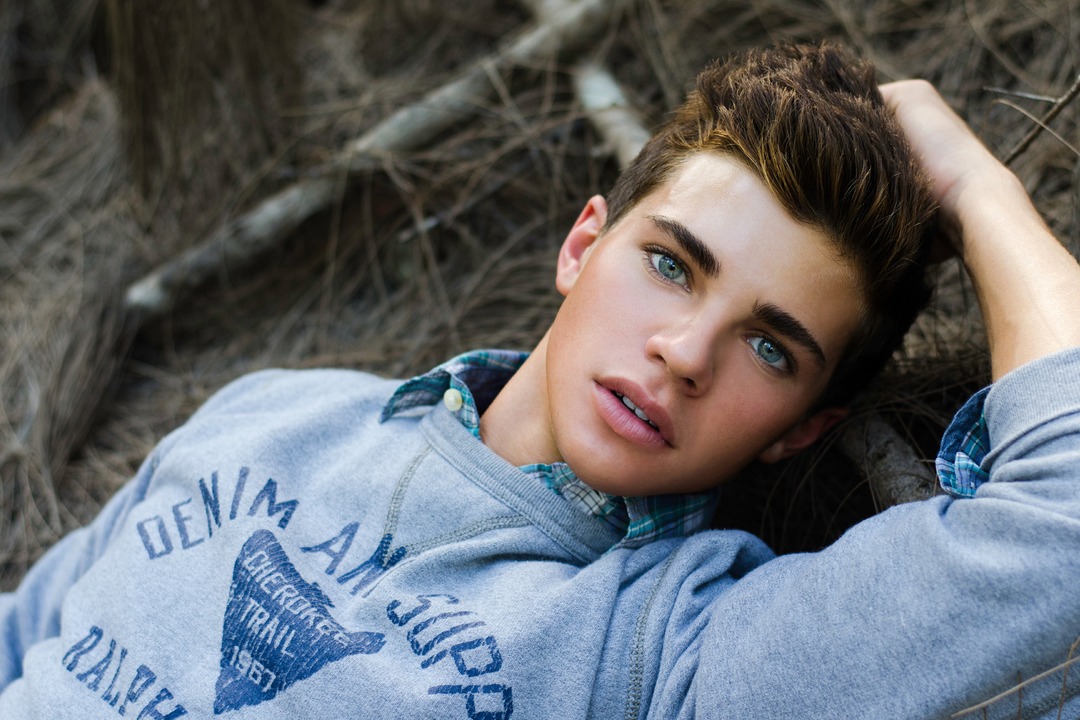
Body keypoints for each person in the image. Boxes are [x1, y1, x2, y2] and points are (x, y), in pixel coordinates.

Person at [1, 41, 1078, 719]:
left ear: (803, 426)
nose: (684, 353)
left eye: (769, 347)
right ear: (581, 246)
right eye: (671, 266)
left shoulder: (672, 653)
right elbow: (23, 628)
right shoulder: (274, 410)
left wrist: (975, 187)